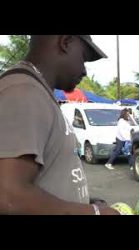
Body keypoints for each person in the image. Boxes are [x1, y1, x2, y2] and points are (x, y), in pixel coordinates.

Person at [0, 35, 120, 215]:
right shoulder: (24, 92)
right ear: (65, 42)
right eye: (83, 58)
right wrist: (94, 213)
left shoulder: (37, 91)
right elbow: (8, 197)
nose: (84, 71)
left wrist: (83, 203)